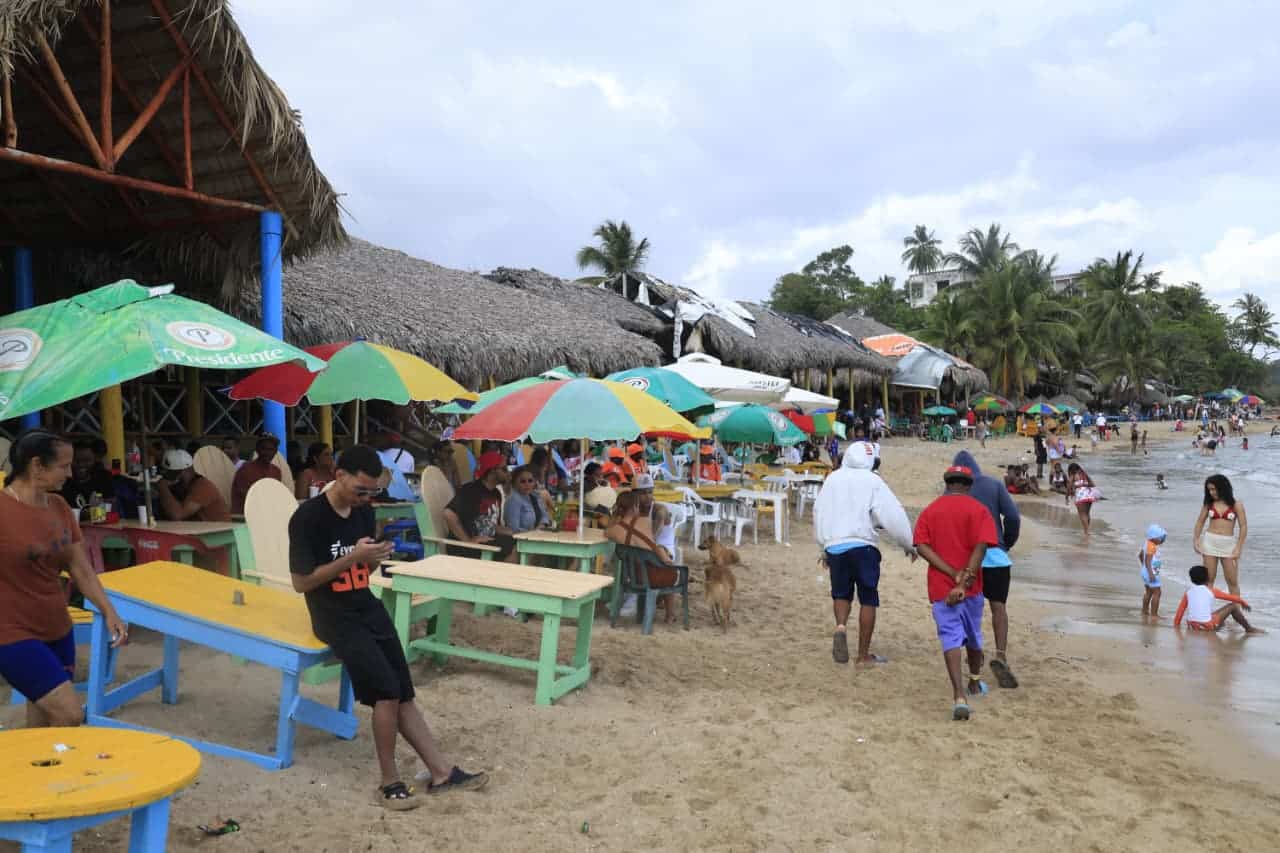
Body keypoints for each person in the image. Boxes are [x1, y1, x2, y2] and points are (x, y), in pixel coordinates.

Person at [289, 445, 486, 808]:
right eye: (359, 490)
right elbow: (302, 582)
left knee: (402, 689)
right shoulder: (309, 518)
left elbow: (363, 571)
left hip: (366, 605)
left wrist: (375, 558)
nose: (365, 498)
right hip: (333, 615)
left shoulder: (364, 513)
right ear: (340, 476)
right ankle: (388, 782)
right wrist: (354, 556)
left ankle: (441, 773)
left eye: (372, 492)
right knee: (385, 692)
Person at [0, 430, 128, 727]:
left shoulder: (58, 508)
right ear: (37, 466)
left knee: (44, 718)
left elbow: (79, 567)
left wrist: (109, 611)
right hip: (12, 632)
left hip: (57, 629)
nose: (70, 474)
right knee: (69, 714)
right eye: (63, 466)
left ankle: (40, 773)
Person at [813, 441, 914, 667]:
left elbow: (819, 512)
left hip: (835, 545)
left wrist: (823, 546)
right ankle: (863, 656)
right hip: (863, 545)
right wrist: (908, 544)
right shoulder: (872, 480)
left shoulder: (832, 479)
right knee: (868, 598)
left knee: (841, 593)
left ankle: (840, 626)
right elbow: (892, 514)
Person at [913, 465, 998, 720]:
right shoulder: (979, 510)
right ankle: (973, 681)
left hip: (941, 587)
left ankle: (958, 695)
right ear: (969, 486)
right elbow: (980, 548)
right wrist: (964, 581)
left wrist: (952, 575)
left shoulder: (931, 510)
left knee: (950, 637)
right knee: (973, 636)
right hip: (971, 590)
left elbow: (921, 547)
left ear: (946, 484)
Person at [954, 450, 1022, 687]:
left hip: (968, 558)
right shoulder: (994, 485)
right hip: (996, 556)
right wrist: (1006, 543)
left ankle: (975, 653)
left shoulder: (953, 491)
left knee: (969, 608)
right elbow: (1013, 517)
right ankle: (1001, 655)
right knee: (998, 608)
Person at [605, 491, 679, 624]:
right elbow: (653, 545)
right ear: (634, 507)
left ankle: (657, 604)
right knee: (669, 568)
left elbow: (607, 531)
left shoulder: (613, 531)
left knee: (661, 566)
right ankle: (670, 615)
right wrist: (666, 557)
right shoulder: (645, 522)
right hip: (653, 576)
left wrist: (615, 517)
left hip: (632, 576)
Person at [443, 451, 516, 561]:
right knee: (514, 548)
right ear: (492, 471)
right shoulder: (471, 491)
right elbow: (448, 514)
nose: (508, 473)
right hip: (465, 548)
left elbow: (491, 525)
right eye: (504, 469)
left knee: (520, 543)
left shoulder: (496, 493)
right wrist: (467, 541)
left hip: (487, 542)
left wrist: (516, 533)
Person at [1193, 474, 1247, 595]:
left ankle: (1236, 611)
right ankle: (1205, 611)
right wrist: (1196, 540)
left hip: (1229, 545)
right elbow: (1200, 522)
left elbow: (1243, 527)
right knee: (1208, 580)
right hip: (1210, 543)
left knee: (1232, 581)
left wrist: (1239, 547)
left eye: (1213, 489)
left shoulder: (1236, 505)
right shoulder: (1209, 504)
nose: (1211, 492)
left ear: (1222, 487)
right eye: (1209, 489)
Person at [1173, 565, 1262, 634]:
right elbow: (1233, 598)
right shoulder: (1211, 591)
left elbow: (1180, 612)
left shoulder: (1188, 592)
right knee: (1233, 606)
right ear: (1208, 578)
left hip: (1192, 626)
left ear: (1192, 580)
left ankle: (1218, 626)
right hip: (1207, 626)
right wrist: (1243, 602)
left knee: (1215, 617)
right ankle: (1248, 628)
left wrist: (1176, 627)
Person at [154, 449, 230, 522]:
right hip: (198, 530)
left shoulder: (203, 486)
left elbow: (178, 515)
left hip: (218, 533)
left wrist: (163, 488)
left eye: (170, 474)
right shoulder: (182, 486)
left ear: (181, 472)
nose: (166, 478)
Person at [59, 440, 117, 512]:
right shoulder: (61, 481)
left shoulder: (103, 477)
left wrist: (99, 507)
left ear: (94, 459)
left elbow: (112, 506)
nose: (81, 465)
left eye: (87, 460)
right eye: (76, 461)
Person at [230, 435, 282, 514]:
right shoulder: (245, 470)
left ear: (275, 452)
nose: (267, 453)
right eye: (263, 449)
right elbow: (250, 498)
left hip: (267, 514)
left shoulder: (276, 471)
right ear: (257, 450)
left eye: (271, 449)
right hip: (244, 517)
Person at [503, 465, 550, 534]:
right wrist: (533, 533)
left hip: (537, 536)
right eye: (523, 481)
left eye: (530, 481)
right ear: (514, 483)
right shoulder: (513, 500)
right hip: (520, 540)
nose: (527, 484)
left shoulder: (535, 496)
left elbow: (545, 516)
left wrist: (542, 525)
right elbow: (513, 529)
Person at [1138, 523, 1166, 618]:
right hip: (1152, 572)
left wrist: (1144, 568)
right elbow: (1147, 560)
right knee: (1157, 593)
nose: (1162, 540)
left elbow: (1140, 555)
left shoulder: (1147, 543)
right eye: (1160, 538)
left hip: (1146, 571)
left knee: (1149, 592)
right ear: (1153, 537)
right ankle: (1154, 614)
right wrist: (1150, 573)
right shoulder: (1152, 546)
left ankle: (1144, 611)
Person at [1067, 462, 1099, 538]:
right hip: (1089, 494)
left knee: (1082, 514)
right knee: (1087, 514)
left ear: (1071, 470)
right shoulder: (1084, 474)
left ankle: (1086, 532)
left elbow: (1069, 486)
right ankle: (1087, 530)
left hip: (1081, 495)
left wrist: (1067, 495)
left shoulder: (1073, 475)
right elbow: (1093, 484)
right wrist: (1084, 484)